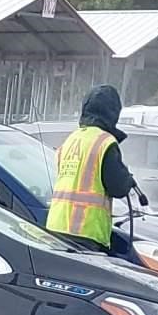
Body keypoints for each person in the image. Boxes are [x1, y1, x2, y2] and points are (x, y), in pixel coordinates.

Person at [45, 84, 139, 250]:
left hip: (57, 227)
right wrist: (128, 179)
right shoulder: (104, 142)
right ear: (113, 113)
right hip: (86, 233)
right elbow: (118, 187)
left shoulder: (72, 139)